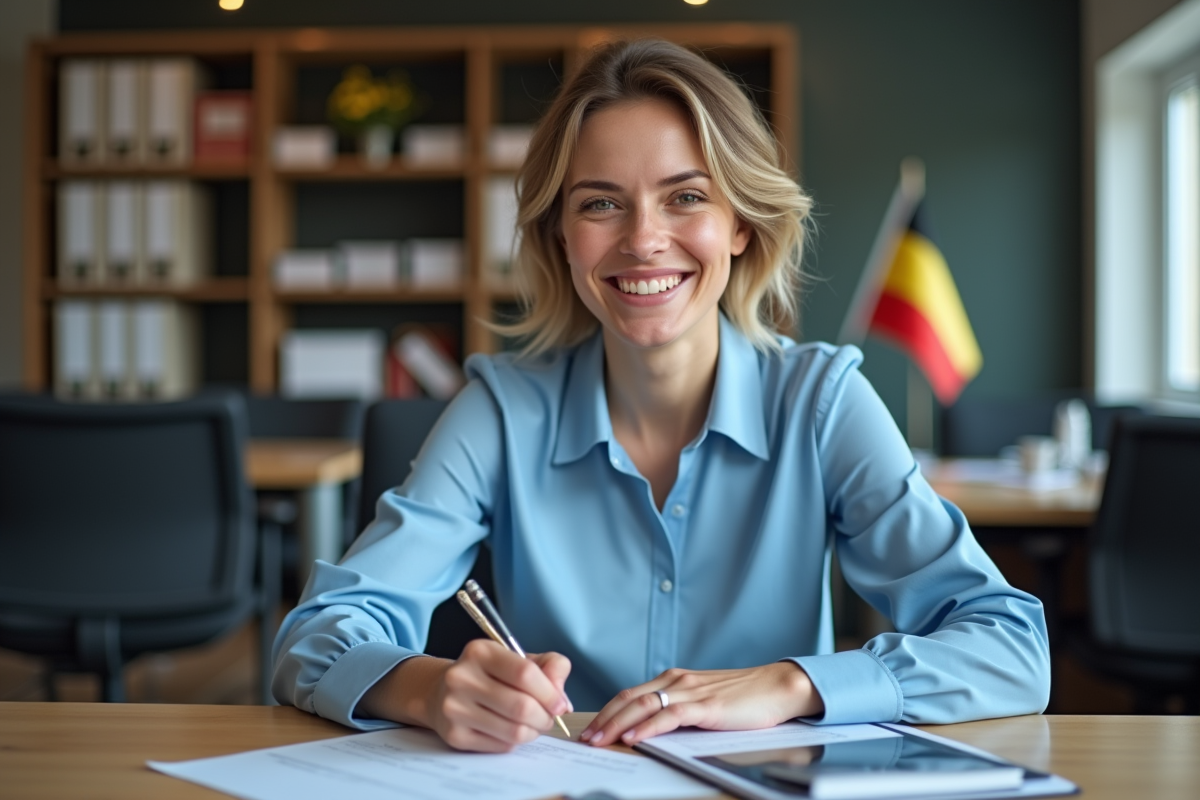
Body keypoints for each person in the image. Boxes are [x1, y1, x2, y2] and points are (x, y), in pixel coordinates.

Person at [272, 38, 1050, 753]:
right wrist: (433, 687)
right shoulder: (501, 412)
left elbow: (1010, 646)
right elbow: (312, 639)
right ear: (560, 236)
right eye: (600, 203)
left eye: (685, 197)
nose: (643, 239)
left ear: (741, 222)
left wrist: (792, 684)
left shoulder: (822, 403)